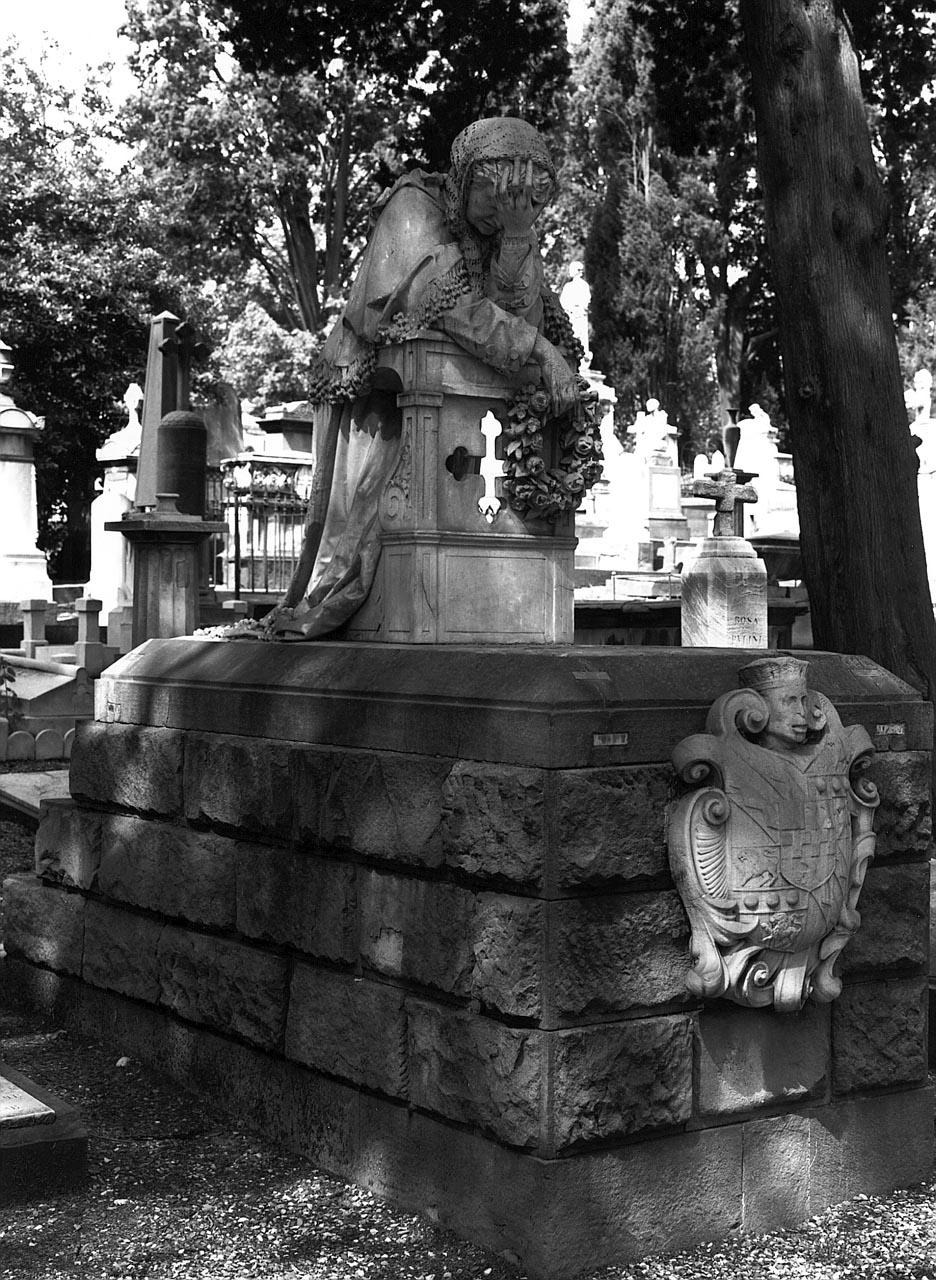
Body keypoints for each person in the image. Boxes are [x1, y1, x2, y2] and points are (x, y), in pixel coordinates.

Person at [266, 117, 583, 640]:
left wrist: (516, 239)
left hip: (447, 406)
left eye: (523, 203)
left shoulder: (506, 232)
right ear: (464, 180)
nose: (502, 212)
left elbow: (525, 319)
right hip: (377, 405)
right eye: (496, 197)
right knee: (359, 540)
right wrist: (539, 350)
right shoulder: (413, 207)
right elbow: (441, 305)